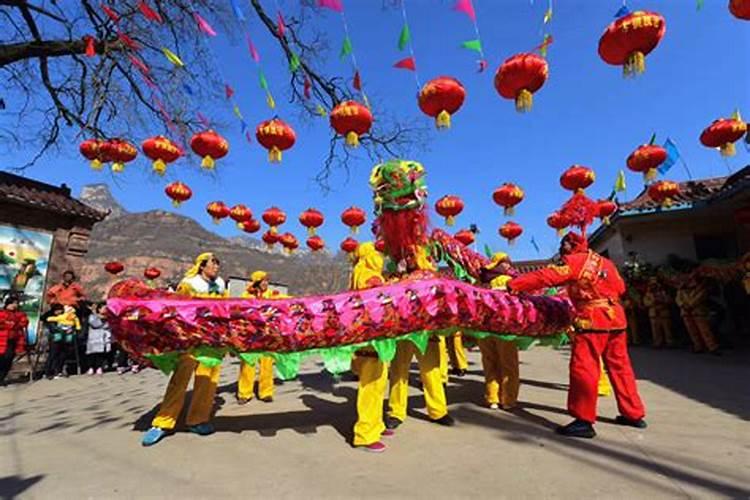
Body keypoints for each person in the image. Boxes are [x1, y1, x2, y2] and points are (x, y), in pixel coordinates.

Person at [509, 232, 646, 438]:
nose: (561, 247)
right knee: (621, 368)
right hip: (616, 319)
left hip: (593, 319)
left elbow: (546, 276)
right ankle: (633, 414)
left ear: (571, 245)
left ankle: (584, 419)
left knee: (584, 369)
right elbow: (621, 287)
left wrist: (514, 285)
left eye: (564, 243)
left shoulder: (574, 261)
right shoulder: (606, 263)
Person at [142, 253, 226, 447]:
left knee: (208, 381)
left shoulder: (220, 285)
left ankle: (197, 420)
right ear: (202, 266)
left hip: (211, 341)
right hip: (190, 339)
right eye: (213, 264)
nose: (216, 268)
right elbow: (178, 310)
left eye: (217, 265)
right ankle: (162, 423)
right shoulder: (189, 284)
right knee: (180, 379)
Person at [386, 246, 454, 431]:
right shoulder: (396, 277)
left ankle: (438, 411)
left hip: (426, 331)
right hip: (404, 332)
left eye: (411, 255)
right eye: (406, 256)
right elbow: (388, 296)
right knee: (399, 371)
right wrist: (397, 275)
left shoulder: (431, 277)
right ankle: (396, 412)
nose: (408, 259)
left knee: (431, 371)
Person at [349, 242, 393, 453]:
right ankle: (364, 434)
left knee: (378, 383)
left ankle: (376, 424)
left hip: (377, 338)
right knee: (370, 386)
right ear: (368, 255)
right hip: (370, 339)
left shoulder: (365, 272)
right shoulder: (366, 274)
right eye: (378, 254)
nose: (381, 257)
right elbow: (376, 301)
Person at [477, 252, 520, 410]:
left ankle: (492, 398)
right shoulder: (508, 280)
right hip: (504, 328)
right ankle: (508, 400)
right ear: (497, 264)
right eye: (505, 262)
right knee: (508, 365)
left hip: (484, 329)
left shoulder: (480, 281)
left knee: (489, 363)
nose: (509, 265)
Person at [236, 271, 279, 405]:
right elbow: (242, 313)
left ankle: (266, 392)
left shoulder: (273, 295)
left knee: (267, 363)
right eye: (263, 281)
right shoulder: (246, 296)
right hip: (250, 334)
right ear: (256, 283)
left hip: (267, 334)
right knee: (248, 363)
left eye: (267, 280)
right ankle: (244, 393)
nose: (266, 283)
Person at [675, 274, 720, 354]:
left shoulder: (701, 289)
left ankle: (712, 347)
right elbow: (678, 299)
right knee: (692, 331)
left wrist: (689, 305)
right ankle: (698, 346)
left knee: (705, 330)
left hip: (697, 312)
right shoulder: (681, 290)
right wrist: (682, 305)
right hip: (686, 313)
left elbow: (699, 298)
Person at [46, 305, 81, 378]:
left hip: (65, 339)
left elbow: (74, 324)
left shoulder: (67, 317)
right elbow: (53, 328)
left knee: (63, 355)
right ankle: (50, 372)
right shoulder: (54, 319)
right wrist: (62, 330)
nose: (59, 312)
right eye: (57, 310)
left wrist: (71, 330)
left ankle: (59, 370)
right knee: (53, 355)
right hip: (55, 339)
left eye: (60, 310)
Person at [0, 295, 28, 386]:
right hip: (2, 339)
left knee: (8, 359)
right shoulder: (2, 313)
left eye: (16, 303)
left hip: (13, 340)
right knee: (2, 358)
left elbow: (24, 322)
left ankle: (2, 378)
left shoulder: (19, 314)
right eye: (12, 303)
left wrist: (13, 324)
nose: (14, 305)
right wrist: (9, 324)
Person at [643, 277, 675, 348]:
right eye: (651, 284)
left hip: (663, 312)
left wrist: (662, 301)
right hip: (653, 313)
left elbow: (669, 300)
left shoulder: (663, 292)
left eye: (655, 283)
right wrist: (653, 302)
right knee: (655, 329)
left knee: (667, 329)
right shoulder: (648, 293)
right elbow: (645, 302)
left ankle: (670, 342)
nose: (653, 285)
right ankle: (657, 342)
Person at [86, 302, 112, 375]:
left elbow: (108, 326)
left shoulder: (108, 317)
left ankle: (99, 367)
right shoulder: (92, 316)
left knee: (101, 353)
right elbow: (94, 324)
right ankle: (91, 367)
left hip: (103, 337)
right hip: (94, 337)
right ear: (99, 309)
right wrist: (98, 316)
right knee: (92, 354)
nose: (105, 310)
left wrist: (105, 319)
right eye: (104, 308)